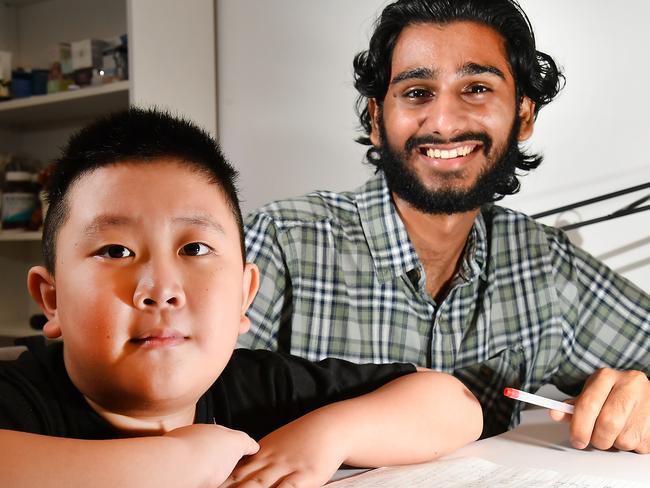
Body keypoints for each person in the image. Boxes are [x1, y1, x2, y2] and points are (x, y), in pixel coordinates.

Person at [241, 0, 650, 451]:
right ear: (377, 119)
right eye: (417, 92)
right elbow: (174, 410)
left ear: (525, 114)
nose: (444, 122)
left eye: (476, 88)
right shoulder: (282, 244)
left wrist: (640, 399)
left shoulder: (544, 264)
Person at [0, 108, 483, 487]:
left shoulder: (252, 387)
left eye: (194, 248)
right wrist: (176, 462)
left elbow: (455, 404)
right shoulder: (21, 396)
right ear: (53, 298)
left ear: (244, 296)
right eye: (115, 250)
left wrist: (329, 435)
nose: (161, 290)